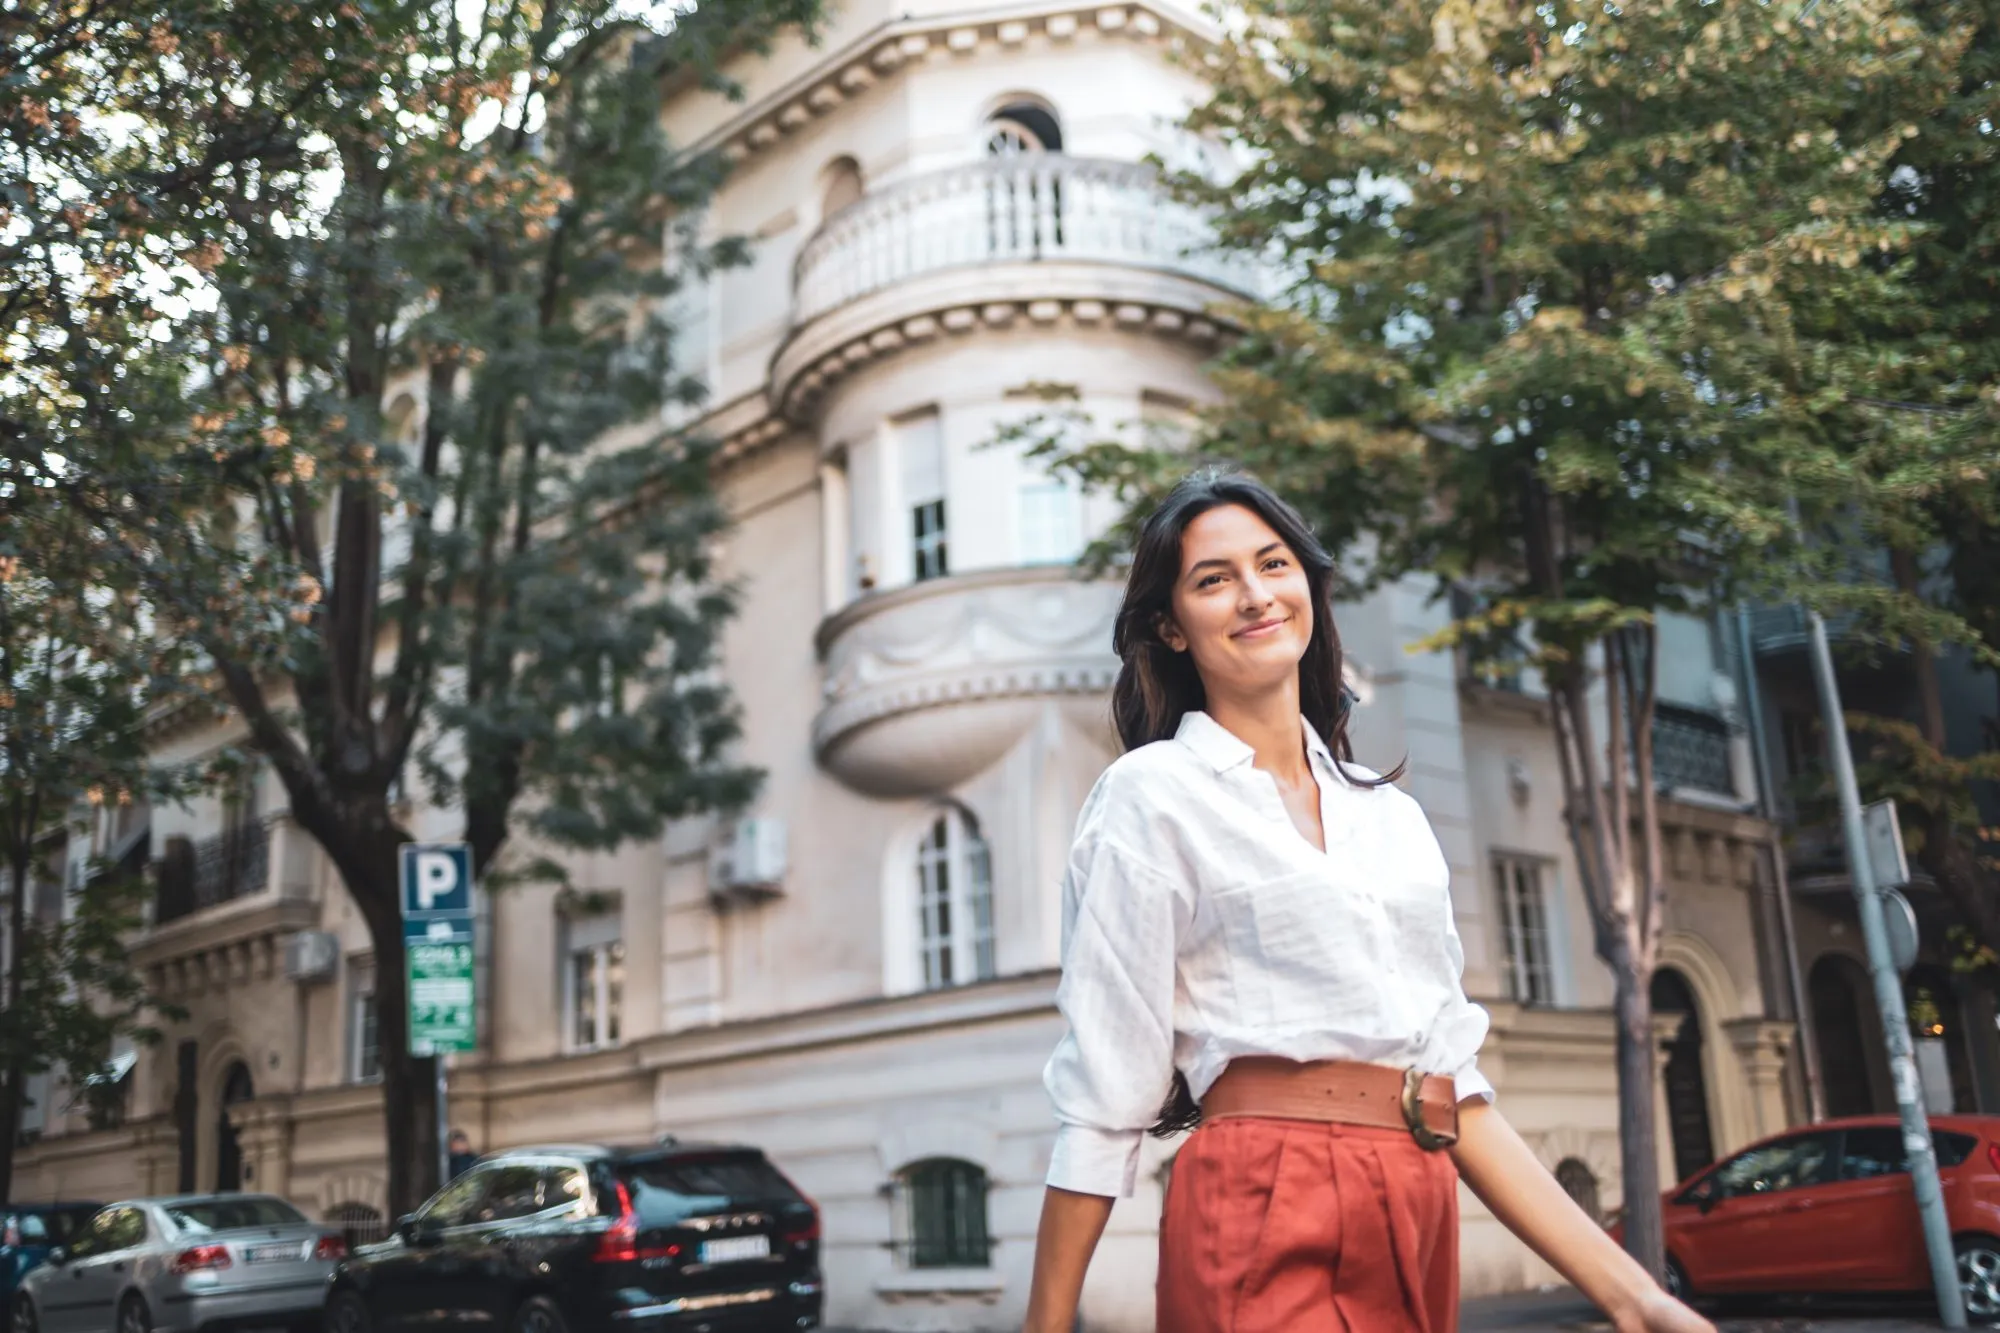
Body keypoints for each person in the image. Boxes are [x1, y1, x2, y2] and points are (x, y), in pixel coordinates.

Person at [1023, 471, 1712, 1333]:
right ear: (1170, 626)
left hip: (1413, 1194)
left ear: (1307, 584)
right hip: (1260, 1191)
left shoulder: (1391, 819)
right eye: (1212, 579)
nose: (1253, 594)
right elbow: (1104, 1096)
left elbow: (1454, 1086)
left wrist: (1635, 1296)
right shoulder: (1150, 795)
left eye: (1273, 564)